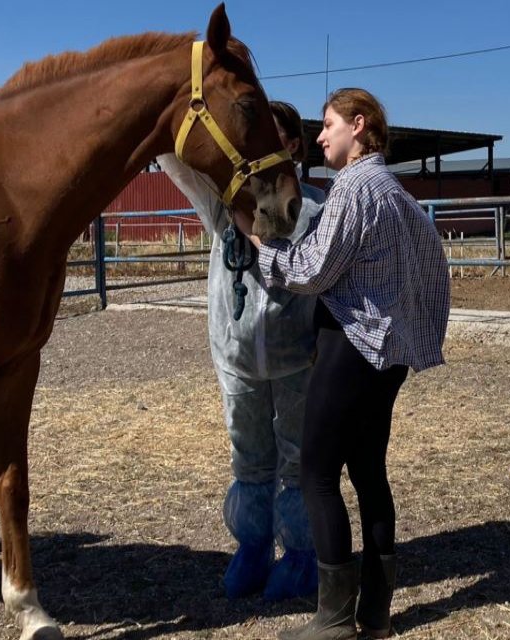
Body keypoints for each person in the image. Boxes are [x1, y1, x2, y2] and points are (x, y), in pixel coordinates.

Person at [244, 88, 450, 640]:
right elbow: (434, 273)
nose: (320, 136)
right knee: (368, 473)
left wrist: (260, 247)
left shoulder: (354, 188)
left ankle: (334, 618)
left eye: (329, 124)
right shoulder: (398, 194)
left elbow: (311, 270)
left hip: (351, 345)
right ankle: (374, 614)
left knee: (316, 474)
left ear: (359, 126)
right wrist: (412, 333)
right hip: (388, 352)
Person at [158, 100, 324, 603]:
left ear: (292, 146)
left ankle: (301, 555)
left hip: (297, 356)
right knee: (248, 457)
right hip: (237, 358)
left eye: (272, 137)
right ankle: (252, 547)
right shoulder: (222, 205)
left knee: (298, 460)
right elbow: (173, 159)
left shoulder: (313, 208)